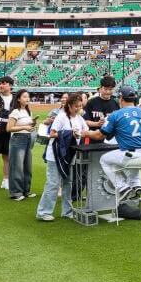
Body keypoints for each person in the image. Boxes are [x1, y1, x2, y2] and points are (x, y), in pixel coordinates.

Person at [83, 86, 141, 200]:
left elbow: (99, 135)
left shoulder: (116, 114)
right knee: (132, 160)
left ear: (121, 98)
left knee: (104, 160)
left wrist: (85, 133)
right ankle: (136, 184)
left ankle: (123, 187)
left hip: (131, 155)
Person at [37, 93, 87, 221]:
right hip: (56, 155)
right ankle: (43, 212)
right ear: (69, 106)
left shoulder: (79, 118)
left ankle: (67, 211)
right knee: (53, 183)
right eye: (76, 106)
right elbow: (52, 134)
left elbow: (85, 131)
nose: (78, 109)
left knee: (68, 183)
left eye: (80, 106)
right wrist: (70, 134)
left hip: (69, 155)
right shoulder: (61, 117)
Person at [7, 89, 38, 201]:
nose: (27, 99)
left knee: (27, 167)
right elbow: (9, 128)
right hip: (18, 139)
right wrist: (25, 127)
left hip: (28, 138)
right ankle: (16, 192)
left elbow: (28, 125)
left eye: (28, 97)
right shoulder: (16, 112)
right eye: (24, 97)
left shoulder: (28, 111)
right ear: (19, 99)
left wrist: (33, 123)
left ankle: (26, 190)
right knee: (17, 167)